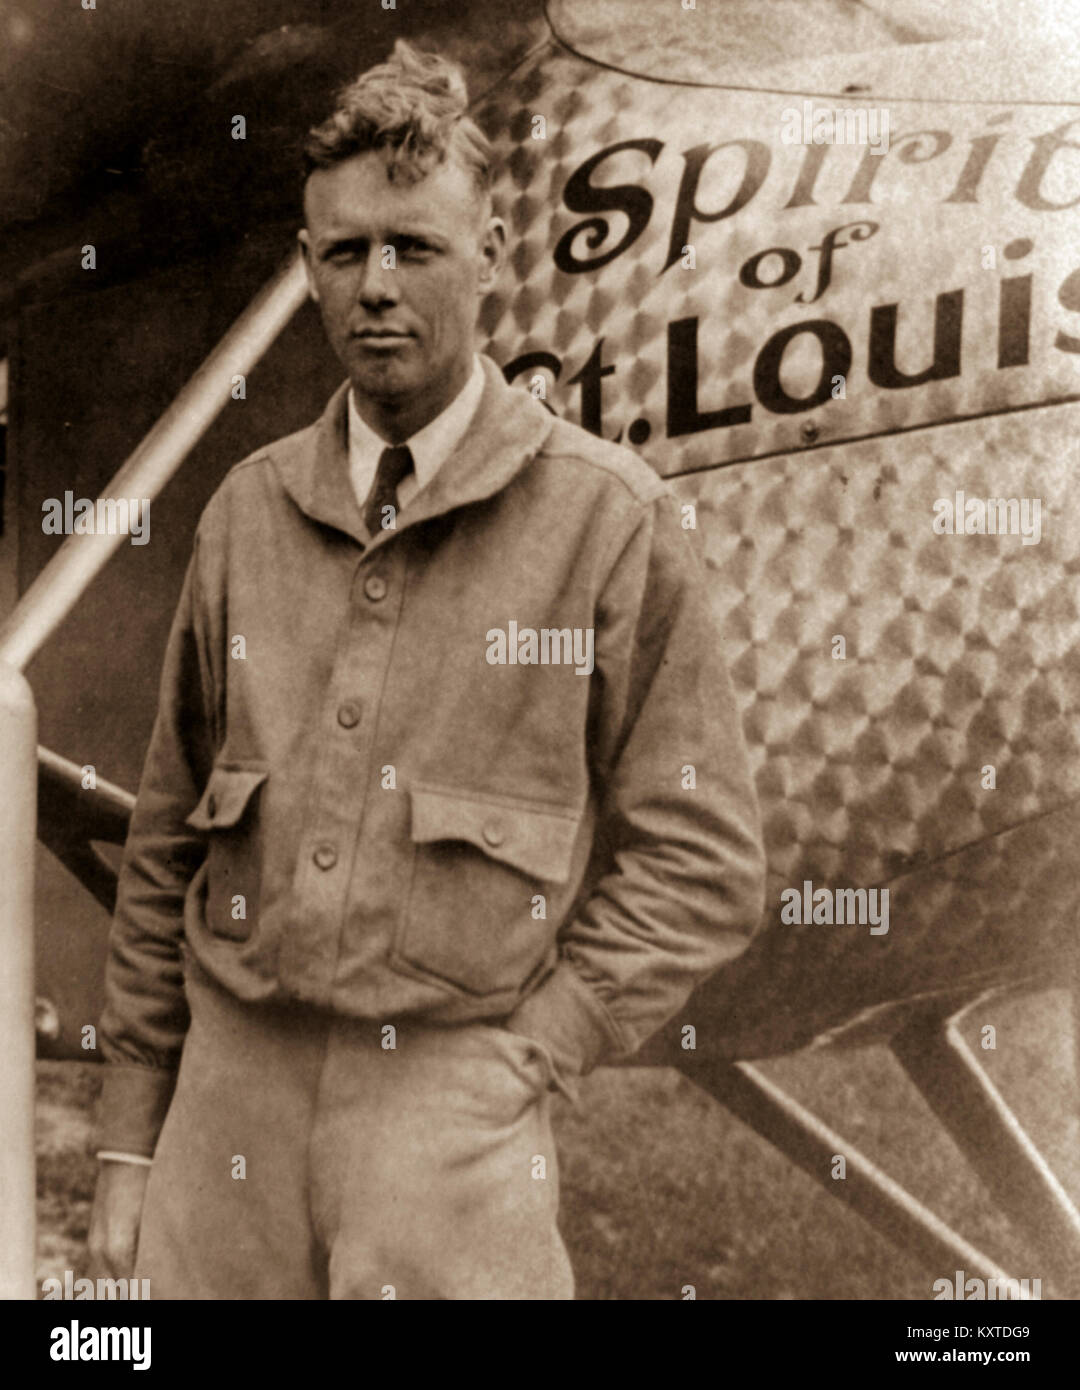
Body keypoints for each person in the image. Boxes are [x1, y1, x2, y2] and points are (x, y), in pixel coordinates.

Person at [88, 38, 765, 1300]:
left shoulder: (606, 524)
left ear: (493, 258)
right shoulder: (246, 513)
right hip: (227, 1108)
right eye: (344, 254)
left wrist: (535, 1051)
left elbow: (705, 858)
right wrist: (134, 1129)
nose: (378, 287)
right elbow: (168, 837)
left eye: (416, 247)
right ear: (307, 269)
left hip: (451, 1115)